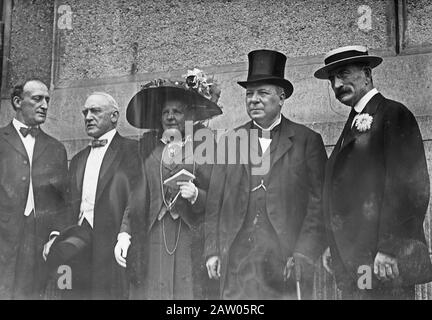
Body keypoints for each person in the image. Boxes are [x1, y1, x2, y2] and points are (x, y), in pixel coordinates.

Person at [204, 49, 327, 299]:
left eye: (263, 93)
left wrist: (304, 252)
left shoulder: (306, 141)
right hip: (238, 260)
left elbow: (319, 203)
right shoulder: (230, 141)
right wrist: (213, 250)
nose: (254, 100)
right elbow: (214, 203)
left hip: (286, 262)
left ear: (281, 98)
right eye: (249, 93)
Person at [314, 45, 431, 299]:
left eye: (343, 74)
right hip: (353, 262)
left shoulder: (392, 113)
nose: (336, 84)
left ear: (366, 75)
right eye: (332, 79)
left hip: (382, 264)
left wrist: (389, 247)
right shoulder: (353, 122)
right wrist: (331, 246)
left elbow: (410, 187)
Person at [116, 72, 222, 300]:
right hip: (152, 235)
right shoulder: (147, 149)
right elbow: (136, 197)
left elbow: (216, 197)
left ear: (189, 116)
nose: (171, 117)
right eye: (166, 112)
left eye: (177, 111)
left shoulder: (204, 147)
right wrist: (124, 233)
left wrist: (196, 195)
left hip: (188, 235)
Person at [55, 92, 140, 299]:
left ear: (114, 116)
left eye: (95, 111)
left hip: (111, 244)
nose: (88, 117)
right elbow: (68, 204)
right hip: (77, 244)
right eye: (85, 112)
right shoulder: (77, 159)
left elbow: (137, 196)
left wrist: (125, 234)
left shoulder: (132, 150)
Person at [0, 79, 68, 299]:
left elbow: (62, 201)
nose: (45, 105)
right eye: (37, 98)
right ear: (18, 102)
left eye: (47, 99)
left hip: (39, 240)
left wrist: (55, 234)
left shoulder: (56, 148)